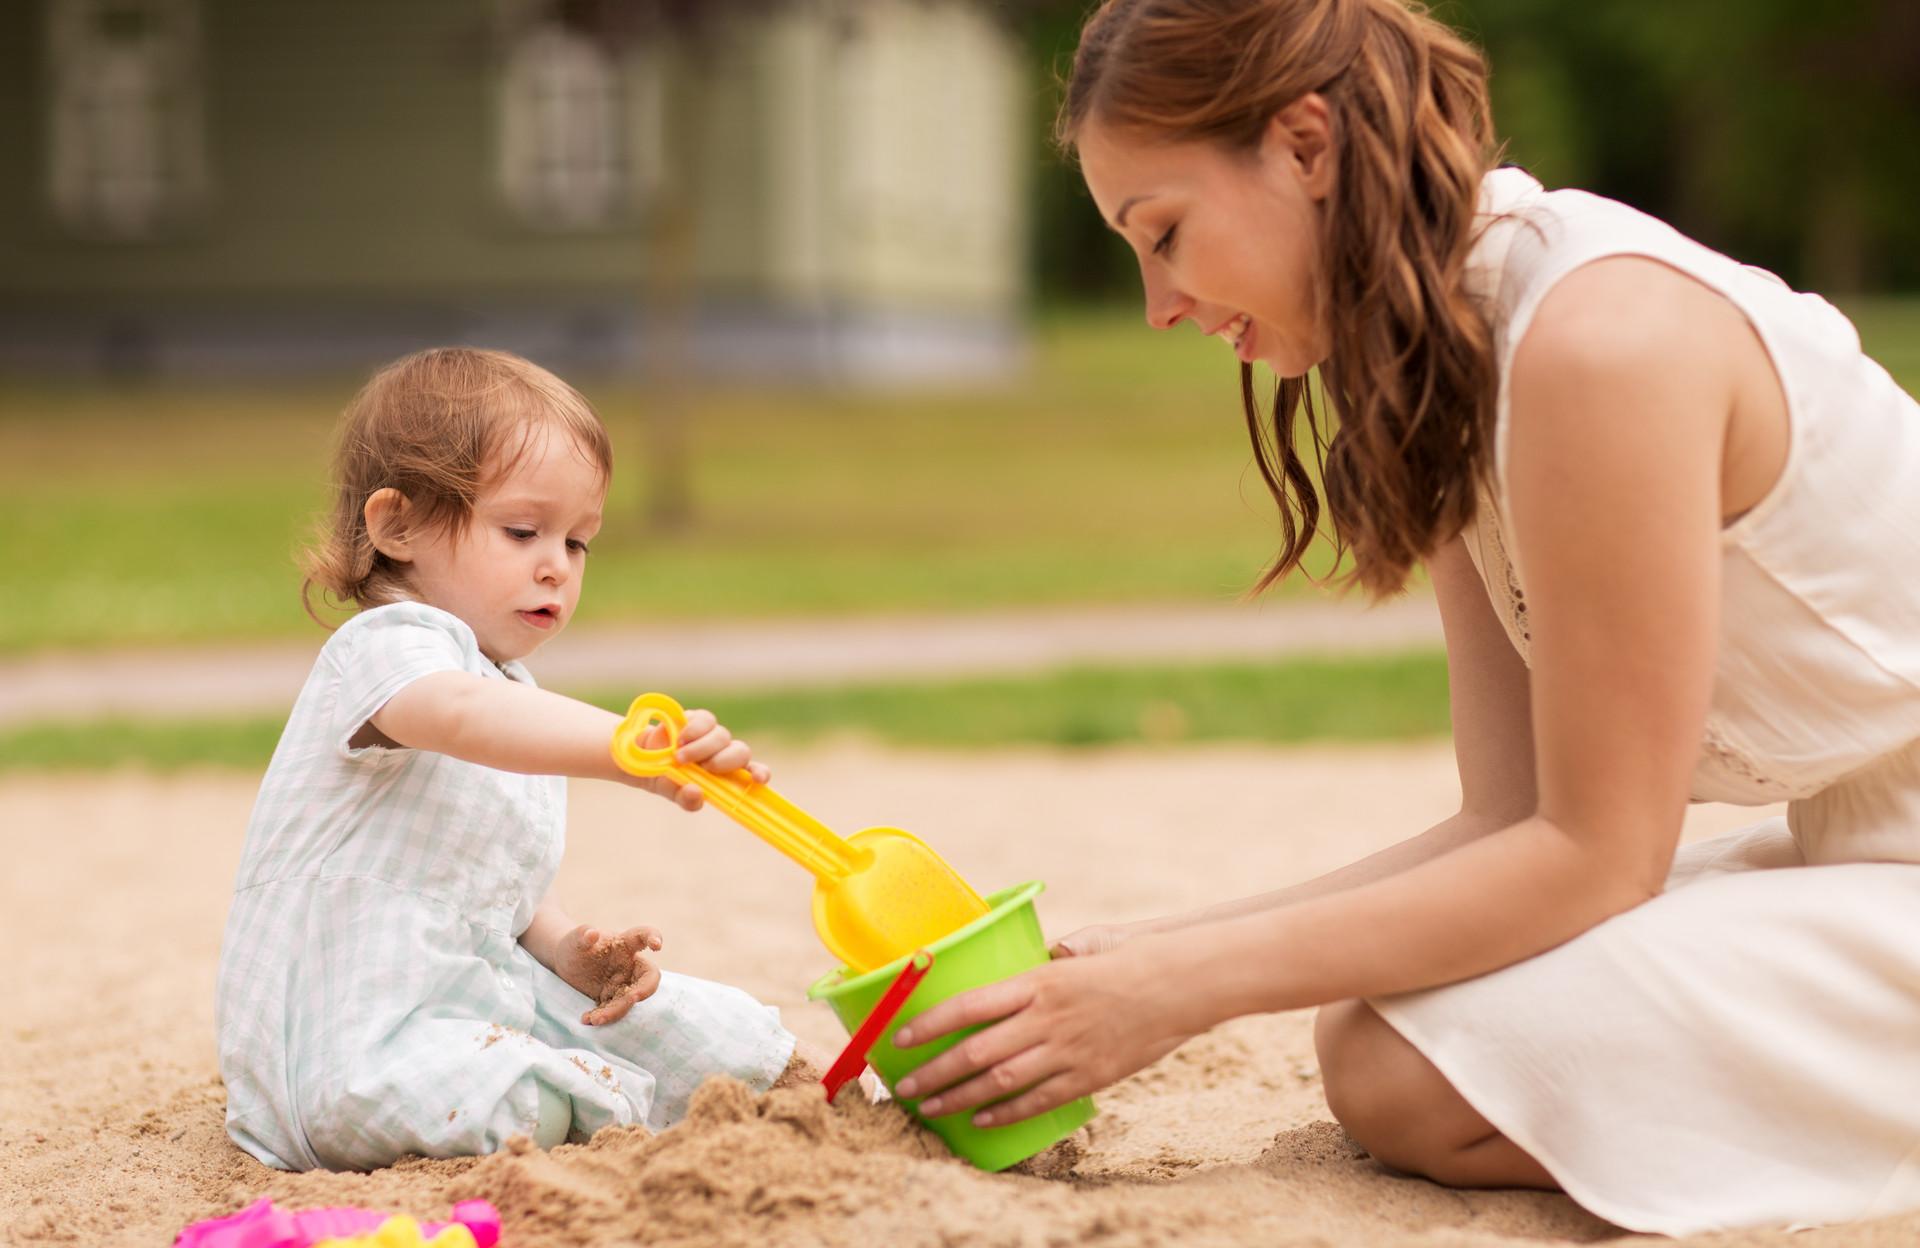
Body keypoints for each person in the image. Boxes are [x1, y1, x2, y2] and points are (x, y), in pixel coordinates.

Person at [891, 0, 1920, 1234]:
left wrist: (1184, 991)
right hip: (1864, 843)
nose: (1158, 303)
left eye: (1163, 233)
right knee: (1390, 1028)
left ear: (1306, 147)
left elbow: (1600, 856)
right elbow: (1513, 816)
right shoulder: (1437, 362)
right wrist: (1136, 955)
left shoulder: (1599, 343)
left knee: (1404, 1069)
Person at [215, 347, 811, 1171]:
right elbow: (458, 713)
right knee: (533, 1091)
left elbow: (498, 882)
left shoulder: (509, 686)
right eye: (523, 530)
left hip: (467, 999)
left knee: (703, 1030)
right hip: (347, 1047)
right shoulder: (386, 648)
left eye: (579, 543)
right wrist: (625, 749)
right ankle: (615, 1116)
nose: (555, 566)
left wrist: (569, 949)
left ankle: (792, 1093)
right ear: (398, 526)